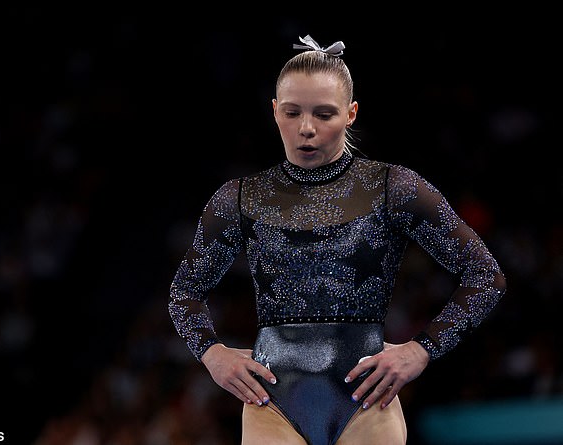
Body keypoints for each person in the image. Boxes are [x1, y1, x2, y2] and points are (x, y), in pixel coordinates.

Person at [168, 34, 507, 445]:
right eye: (292, 113)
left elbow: (486, 275)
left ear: (351, 113)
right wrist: (212, 354)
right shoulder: (241, 198)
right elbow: (185, 290)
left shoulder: (391, 187)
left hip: (366, 404)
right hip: (271, 404)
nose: (306, 128)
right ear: (274, 111)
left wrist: (421, 350)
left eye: (324, 114)